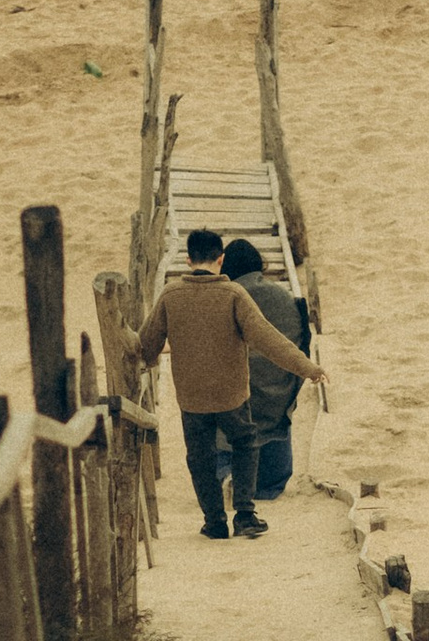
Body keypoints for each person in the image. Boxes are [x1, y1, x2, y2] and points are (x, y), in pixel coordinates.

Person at [134, 226, 325, 539]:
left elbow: (147, 344)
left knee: (200, 457)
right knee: (245, 442)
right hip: (231, 395)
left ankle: (214, 522)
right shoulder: (234, 294)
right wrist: (308, 368)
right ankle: (245, 514)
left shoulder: (170, 295)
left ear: (188, 259)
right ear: (220, 259)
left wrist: (148, 357)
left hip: (192, 397)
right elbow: (268, 340)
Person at [219, 236, 312, 503]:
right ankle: (266, 486)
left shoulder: (225, 299)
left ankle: (227, 473)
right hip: (276, 399)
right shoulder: (284, 298)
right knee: (273, 477)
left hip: (235, 403)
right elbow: (301, 345)